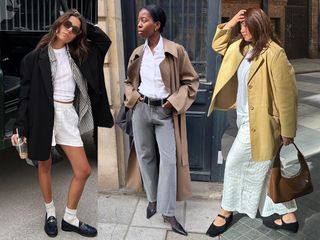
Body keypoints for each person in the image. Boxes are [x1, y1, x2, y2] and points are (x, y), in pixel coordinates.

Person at [11, 9, 113, 237]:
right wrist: (20, 127)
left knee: (84, 170)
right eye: (67, 24)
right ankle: (50, 213)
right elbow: (24, 95)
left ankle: (70, 217)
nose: (69, 30)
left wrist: (82, 21)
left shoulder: (79, 54)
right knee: (44, 165)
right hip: (41, 114)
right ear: (58, 23)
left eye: (75, 29)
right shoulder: (33, 58)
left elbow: (103, 40)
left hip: (67, 115)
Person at [206, 8, 298, 237]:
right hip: (244, 119)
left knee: (235, 162)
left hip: (262, 124)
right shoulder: (243, 48)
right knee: (267, 170)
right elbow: (217, 46)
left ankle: (225, 212)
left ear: (259, 26)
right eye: (241, 25)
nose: (242, 29)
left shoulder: (274, 53)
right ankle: (289, 217)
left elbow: (287, 95)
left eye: (247, 25)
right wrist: (229, 25)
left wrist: (288, 130)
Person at [124, 4, 199, 236]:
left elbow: (192, 82)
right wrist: (134, 97)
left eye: (144, 20)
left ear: (157, 25)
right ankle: (153, 199)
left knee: (169, 160)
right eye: (138, 20)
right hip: (141, 110)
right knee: (146, 156)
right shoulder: (138, 52)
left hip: (165, 112)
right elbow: (128, 82)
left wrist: (174, 101)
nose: (139, 24)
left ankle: (168, 212)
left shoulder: (176, 51)